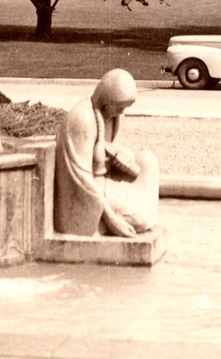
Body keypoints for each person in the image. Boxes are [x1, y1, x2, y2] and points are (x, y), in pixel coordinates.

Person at [54, 68, 159, 237]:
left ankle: (138, 212)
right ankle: (113, 220)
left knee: (148, 160)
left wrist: (123, 156)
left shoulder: (113, 114)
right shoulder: (83, 120)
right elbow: (82, 179)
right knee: (140, 217)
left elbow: (111, 149)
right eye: (119, 107)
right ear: (105, 100)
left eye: (124, 108)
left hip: (107, 181)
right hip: (84, 195)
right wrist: (112, 220)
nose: (121, 113)